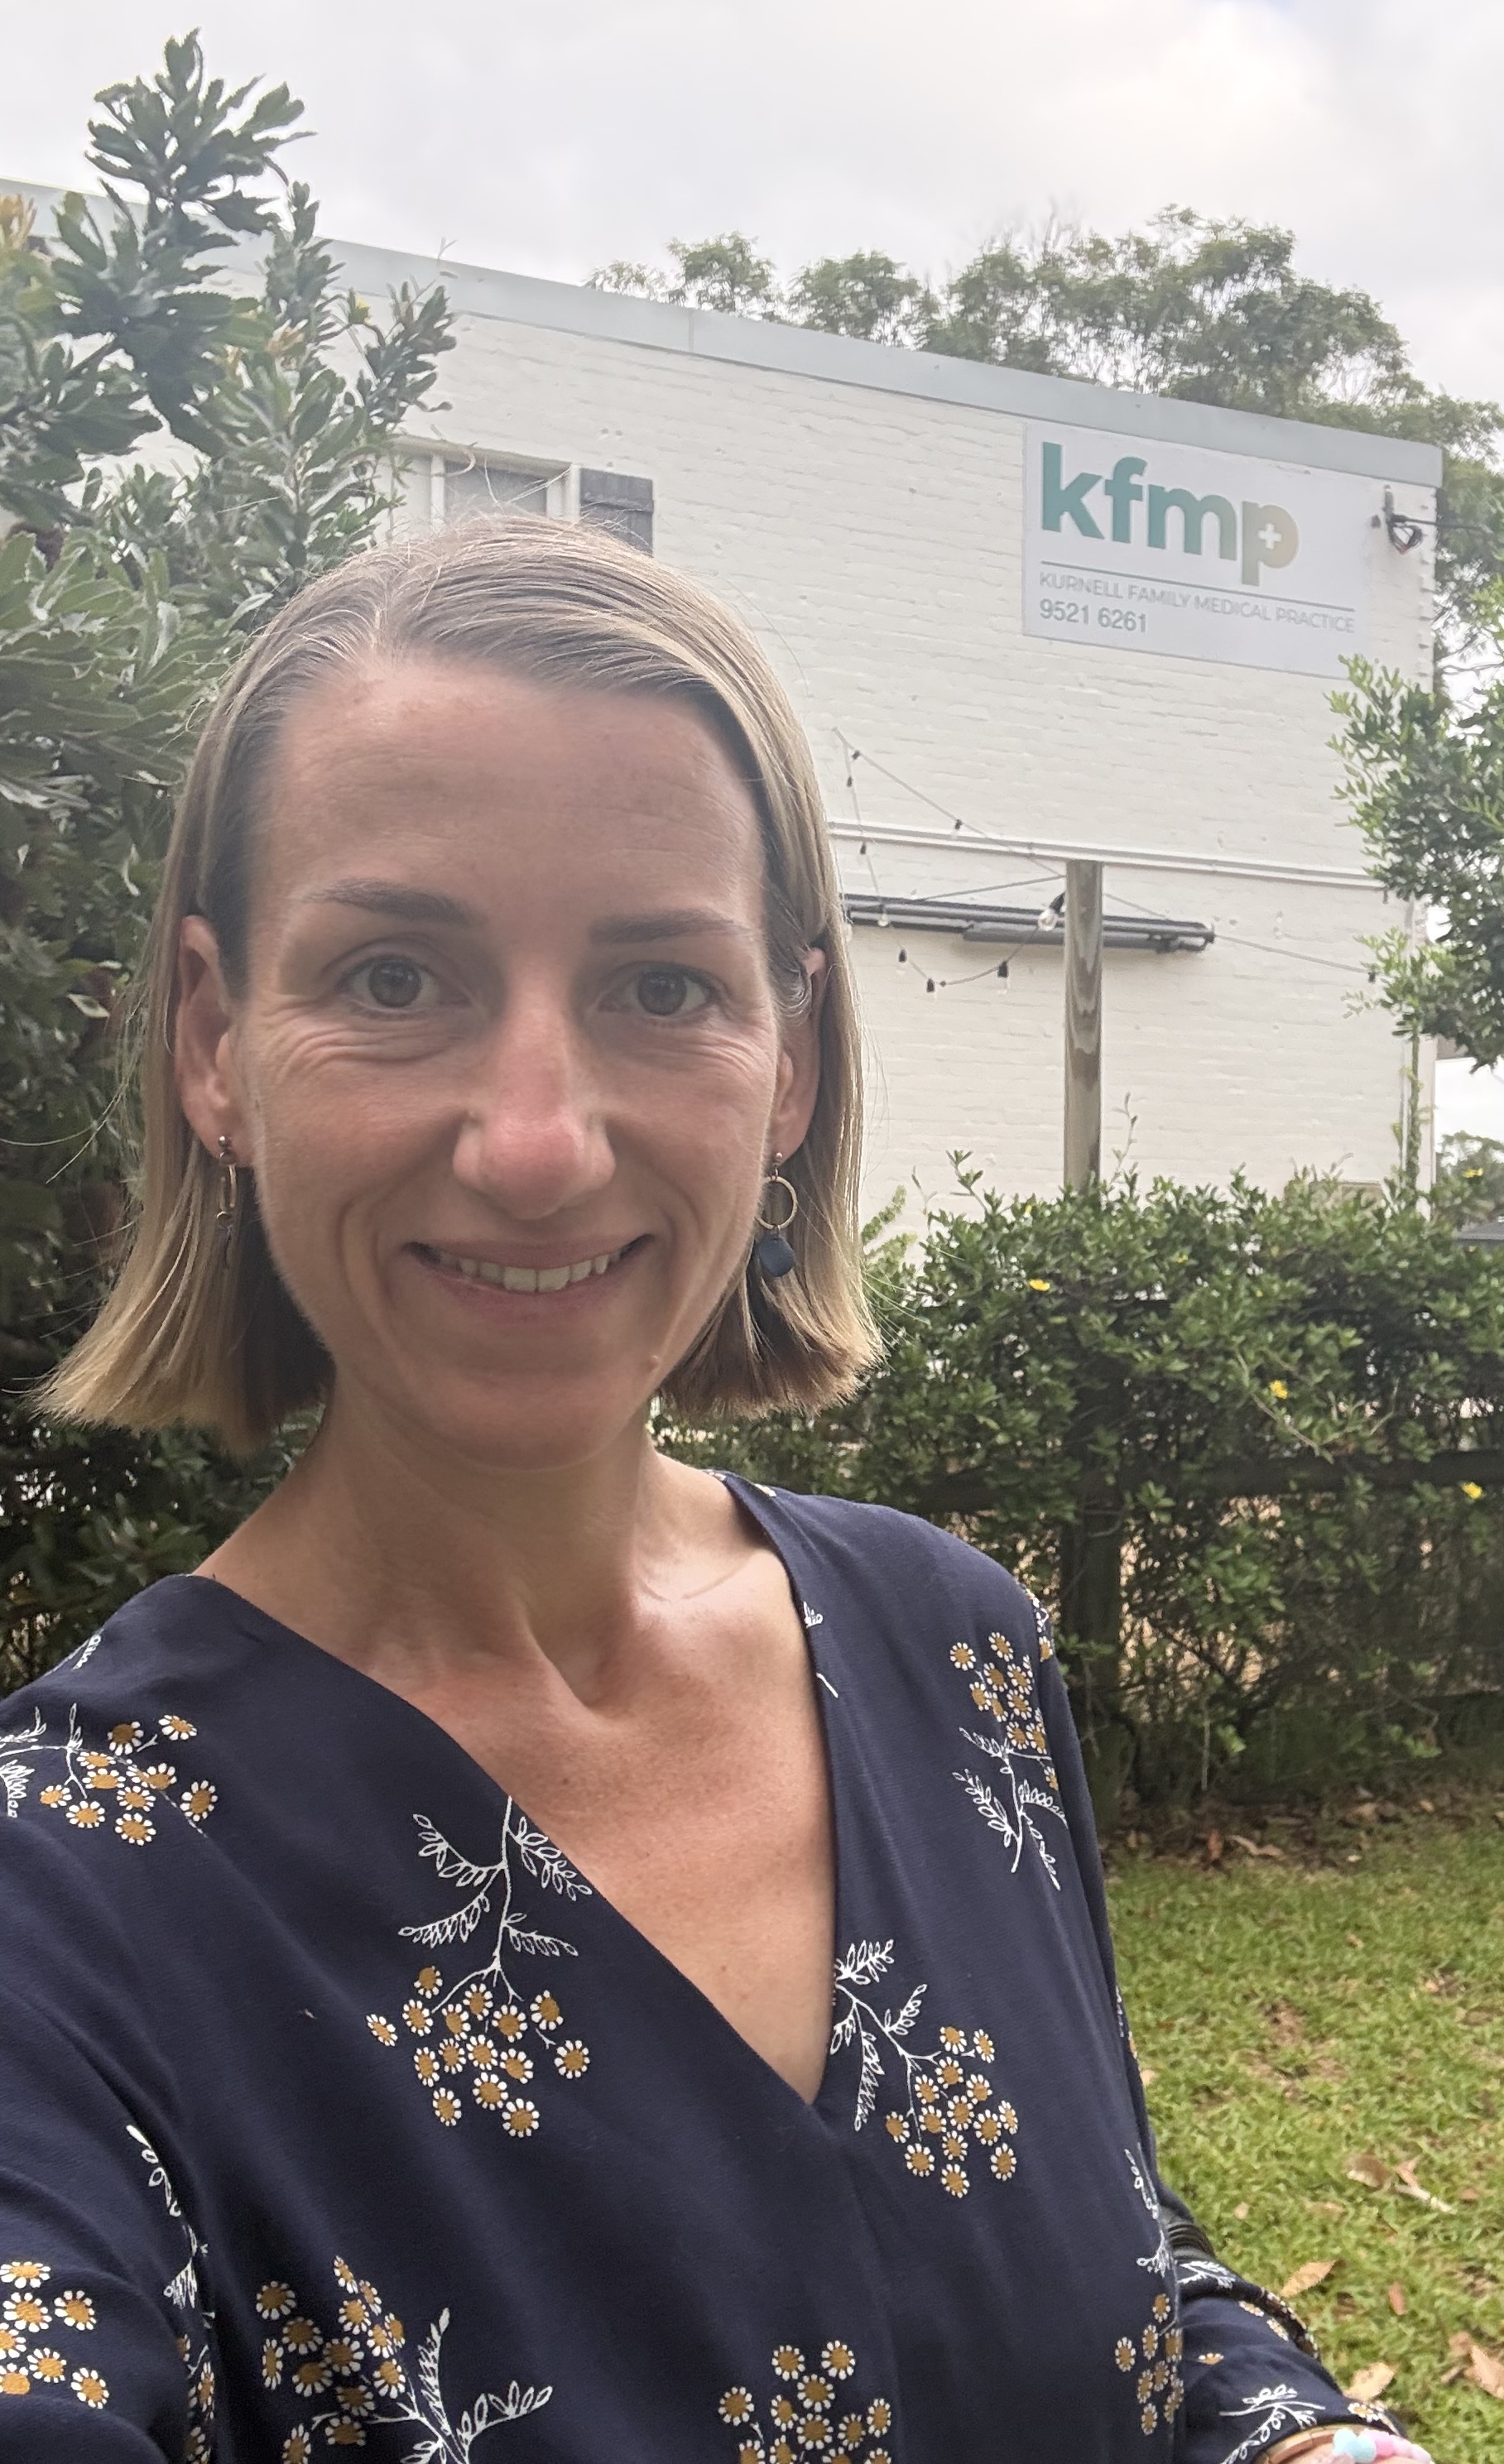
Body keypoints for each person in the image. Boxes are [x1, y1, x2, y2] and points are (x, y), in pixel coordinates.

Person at [0, 521, 1430, 2463]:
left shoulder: (960, 1652)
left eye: (662, 985)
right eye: (397, 970)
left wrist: (1293, 2437)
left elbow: (1102, 2263)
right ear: (210, 1042)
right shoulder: (63, 1893)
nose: (533, 1140)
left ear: (791, 1062)